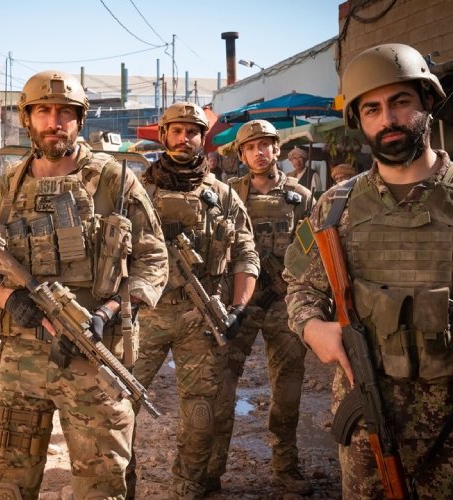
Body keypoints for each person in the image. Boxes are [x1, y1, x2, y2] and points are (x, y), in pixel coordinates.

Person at [0, 70, 168, 499]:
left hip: (94, 359)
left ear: (80, 119)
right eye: (43, 111)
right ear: (27, 118)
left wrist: (108, 311)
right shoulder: (2, 190)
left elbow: (152, 260)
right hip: (20, 362)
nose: (54, 122)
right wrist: (8, 298)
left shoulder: (115, 181)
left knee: (102, 488)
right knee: (9, 488)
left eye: (65, 113)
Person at [283, 43, 453, 498]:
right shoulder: (334, 206)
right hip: (370, 424)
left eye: (400, 102)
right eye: (372, 109)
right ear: (359, 120)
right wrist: (311, 326)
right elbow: (300, 287)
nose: (388, 119)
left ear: (427, 102)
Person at [128, 101, 259, 498]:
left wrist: (238, 308)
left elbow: (246, 255)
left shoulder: (223, 196)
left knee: (201, 412)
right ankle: (121, 483)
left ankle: (189, 486)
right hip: (144, 315)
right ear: (164, 135)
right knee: (119, 403)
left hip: (201, 318)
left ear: (203, 139)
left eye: (192, 132)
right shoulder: (136, 191)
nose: (184, 139)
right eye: (177, 131)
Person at [207, 119, 314, 494]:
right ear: (241, 154)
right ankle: (211, 470)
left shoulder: (299, 197)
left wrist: (289, 289)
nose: (259, 152)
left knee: (287, 392)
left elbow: (311, 252)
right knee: (221, 387)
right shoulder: (227, 194)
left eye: (265, 145)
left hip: (283, 305)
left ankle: (286, 466)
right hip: (239, 304)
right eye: (251, 147)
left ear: (277, 149)